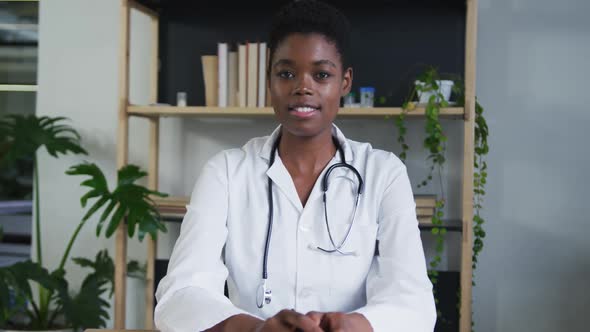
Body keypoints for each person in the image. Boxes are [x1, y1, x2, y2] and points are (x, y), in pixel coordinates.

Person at [154, 1, 436, 331]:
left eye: (322, 74)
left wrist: (355, 325)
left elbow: (414, 302)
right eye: (286, 73)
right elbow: (181, 293)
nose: (303, 87)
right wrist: (256, 329)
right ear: (269, 80)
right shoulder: (226, 173)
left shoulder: (383, 174)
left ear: (345, 82)